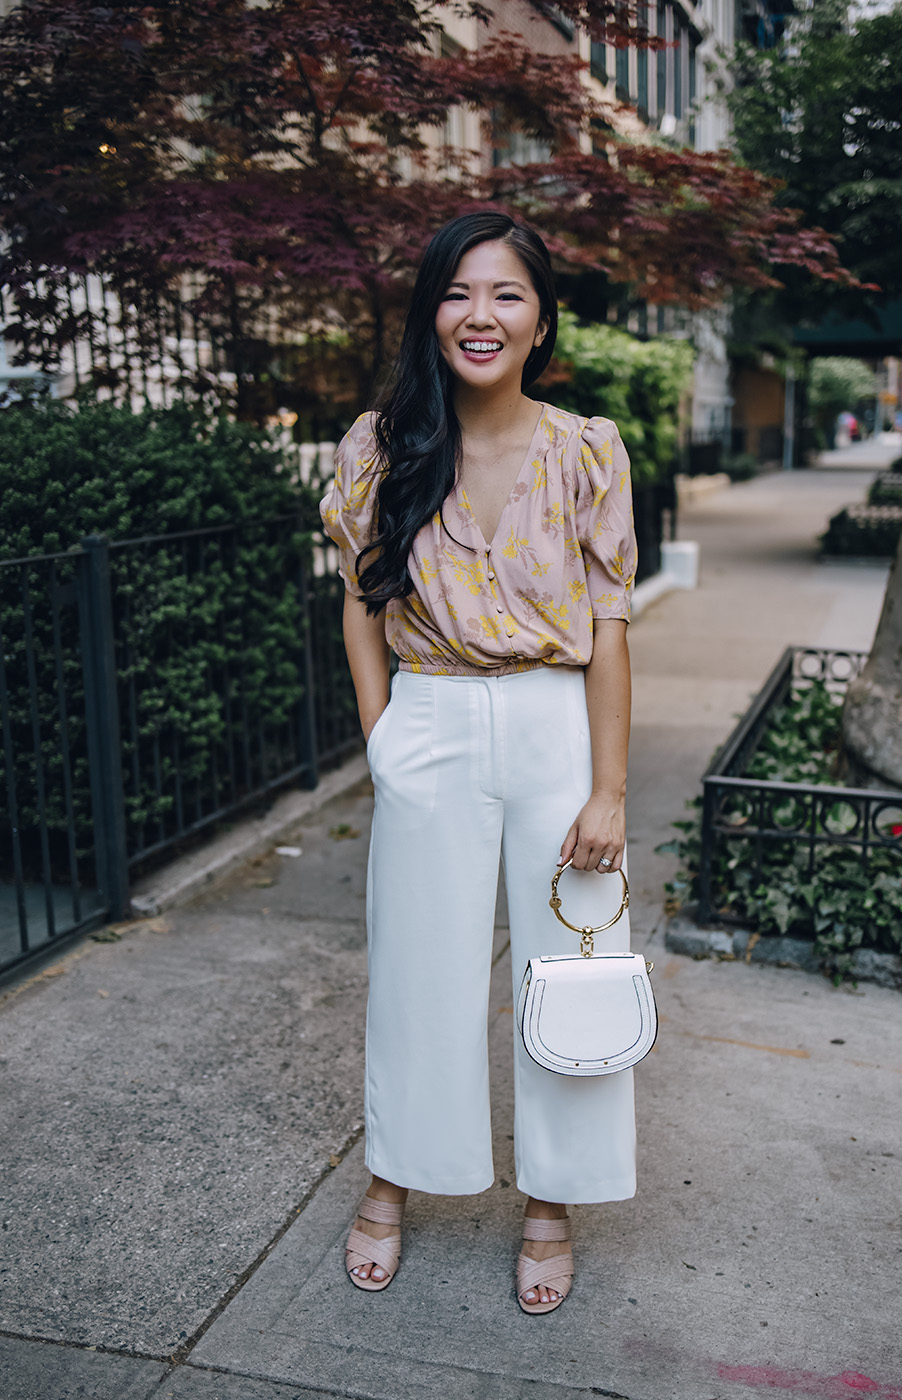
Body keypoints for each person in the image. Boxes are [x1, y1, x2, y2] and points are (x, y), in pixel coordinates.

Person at [320, 210, 637, 1315]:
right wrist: (382, 738)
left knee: (569, 969)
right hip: (433, 722)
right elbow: (363, 609)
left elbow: (608, 627)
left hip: (556, 725)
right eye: (457, 292)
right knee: (418, 974)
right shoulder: (379, 446)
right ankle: (391, 1180)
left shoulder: (587, 448)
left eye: (504, 293)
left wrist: (608, 785)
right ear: (431, 313)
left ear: (540, 318)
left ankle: (551, 1200)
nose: (479, 314)